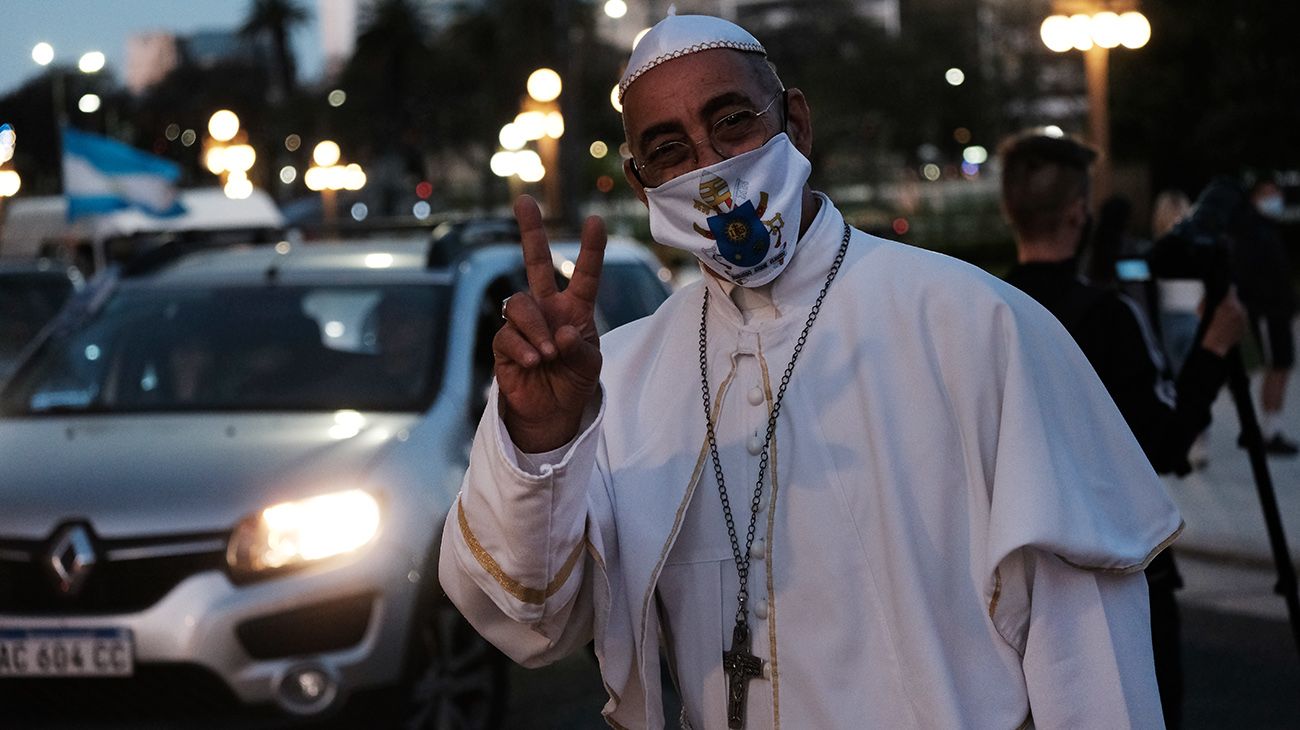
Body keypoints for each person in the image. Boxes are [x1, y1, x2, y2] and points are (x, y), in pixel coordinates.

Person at [440, 15, 1180, 729]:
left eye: (731, 121)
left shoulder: (977, 323)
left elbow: (1089, 652)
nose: (709, 166)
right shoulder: (618, 381)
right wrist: (540, 437)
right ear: (641, 186)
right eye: (669, 150)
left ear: (796, 122)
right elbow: (532, 624)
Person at [998, 131, 1247, 728]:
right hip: (1116, 578)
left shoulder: (985, 307)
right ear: (1078, 211)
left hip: (1017, 584)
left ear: (1011, 212)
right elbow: (1162, 443)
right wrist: (1214, 350)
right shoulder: (1109, 316)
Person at [1234, 176, 1298, 455]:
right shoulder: (1252, 231)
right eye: (1270, 193)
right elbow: (1252, 275)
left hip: (1277, 310)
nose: (1276, 198)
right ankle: (1267, 432)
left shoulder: (1266, 228)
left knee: (1281, 366)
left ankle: (1270, 428)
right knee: (1276, 366)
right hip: (1268, 311)